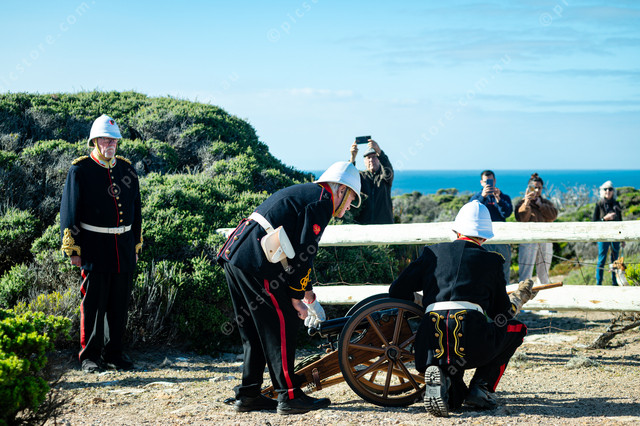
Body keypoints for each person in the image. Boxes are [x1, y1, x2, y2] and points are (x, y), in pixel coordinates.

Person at [217, 161, 361, 415]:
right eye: (351, 199)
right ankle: (289, 396)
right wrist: (296, 298)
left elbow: (297, 253)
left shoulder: (310, 194)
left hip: (238, 255)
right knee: (282, 325)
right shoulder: (322, 202)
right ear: (341, 190)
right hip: (258, 261)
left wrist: (307, 293)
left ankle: (249, 394)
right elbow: (305, 253)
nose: (350, 206)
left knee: (254, 331)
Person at [389, 200, 535, 417]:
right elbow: (501, 316)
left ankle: (444, 381)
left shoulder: (431, 253)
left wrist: (422, 301)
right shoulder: (492, 261)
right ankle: (481, 388)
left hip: (430, 343)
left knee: (455, 399)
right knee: (516, 329)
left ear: (456, 231)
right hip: (471, 343)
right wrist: (518, 299)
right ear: (485, 237)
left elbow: (397, 290)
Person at [60, 114, 143, 373]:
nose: (111, 144)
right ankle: (90, 356)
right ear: (94, 141)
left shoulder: (128, 169)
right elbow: (70, 211)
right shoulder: (80, 169)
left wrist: (135, 245)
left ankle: (114, 353)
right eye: (106, 140)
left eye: (114, 140)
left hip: (123, 247)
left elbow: (136, 211)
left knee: (119, 304)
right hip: (94, 247)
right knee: (94, 304)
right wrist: (74, 249)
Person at [470, 170, 513, 282]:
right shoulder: (476, 198)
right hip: (482, 238)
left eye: (491, 181)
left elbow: (506, 213)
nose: (489, 184)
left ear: (495, 181)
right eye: (486, 182)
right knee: (483, 267)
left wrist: (499, 199)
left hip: (501, 238)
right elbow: (472, 211)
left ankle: (504, 289)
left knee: (504, 266)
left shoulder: (504, 197)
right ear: (481, 183)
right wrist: (483, 197)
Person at [514, 173, 558, 285]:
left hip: (545, 240)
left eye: (539, 188)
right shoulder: (521, 203)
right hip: (528, 240)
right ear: (528, 188)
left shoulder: (546, 203)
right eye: (534, 187)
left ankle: (543, 293)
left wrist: (541, 205)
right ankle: (523, 292)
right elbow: (522, 218)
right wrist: (527, 203)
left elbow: (553, 216)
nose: (537, 190)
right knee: (526, 273)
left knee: (544, 274)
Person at [349, 138, 394, 224]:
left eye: (374, 157)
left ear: (379, 159)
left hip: (384, 224)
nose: (371, 160)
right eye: (368, 157)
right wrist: (352, 157)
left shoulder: (385, 177)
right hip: (363, 225)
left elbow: (388, 168)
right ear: (364, 161)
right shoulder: (360, 177)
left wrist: (379, 151)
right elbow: (349, 177)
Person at [593, 180, 623, 286]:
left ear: (613, 191)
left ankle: (615, 283)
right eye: (605, 189)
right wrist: (604, 219)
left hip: (615, 235)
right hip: (603, 235)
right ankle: (599, 283)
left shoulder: (616, 204)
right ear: (602, 191)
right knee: (602, 259)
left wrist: (623, 238)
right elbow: (594, 222)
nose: (608, 191)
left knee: (615, 260)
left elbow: (621, 221)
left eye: (610, 189)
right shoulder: (599, 204)